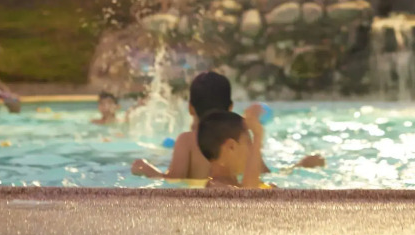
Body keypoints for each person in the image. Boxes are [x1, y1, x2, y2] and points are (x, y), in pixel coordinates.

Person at [129, 70, 324, 180]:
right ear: (230, 107)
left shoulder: (186, 141)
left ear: (190, 108)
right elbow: (262, 174)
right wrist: (298, 166)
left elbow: (172, 180)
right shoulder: (241, 138)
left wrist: (146, 169)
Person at [200, 106, 268, 189]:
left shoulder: (232, 184)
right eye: (249, 143)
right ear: (231, 147)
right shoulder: (217, 189)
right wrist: (257, 137)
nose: (252, 150)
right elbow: (249, 195)